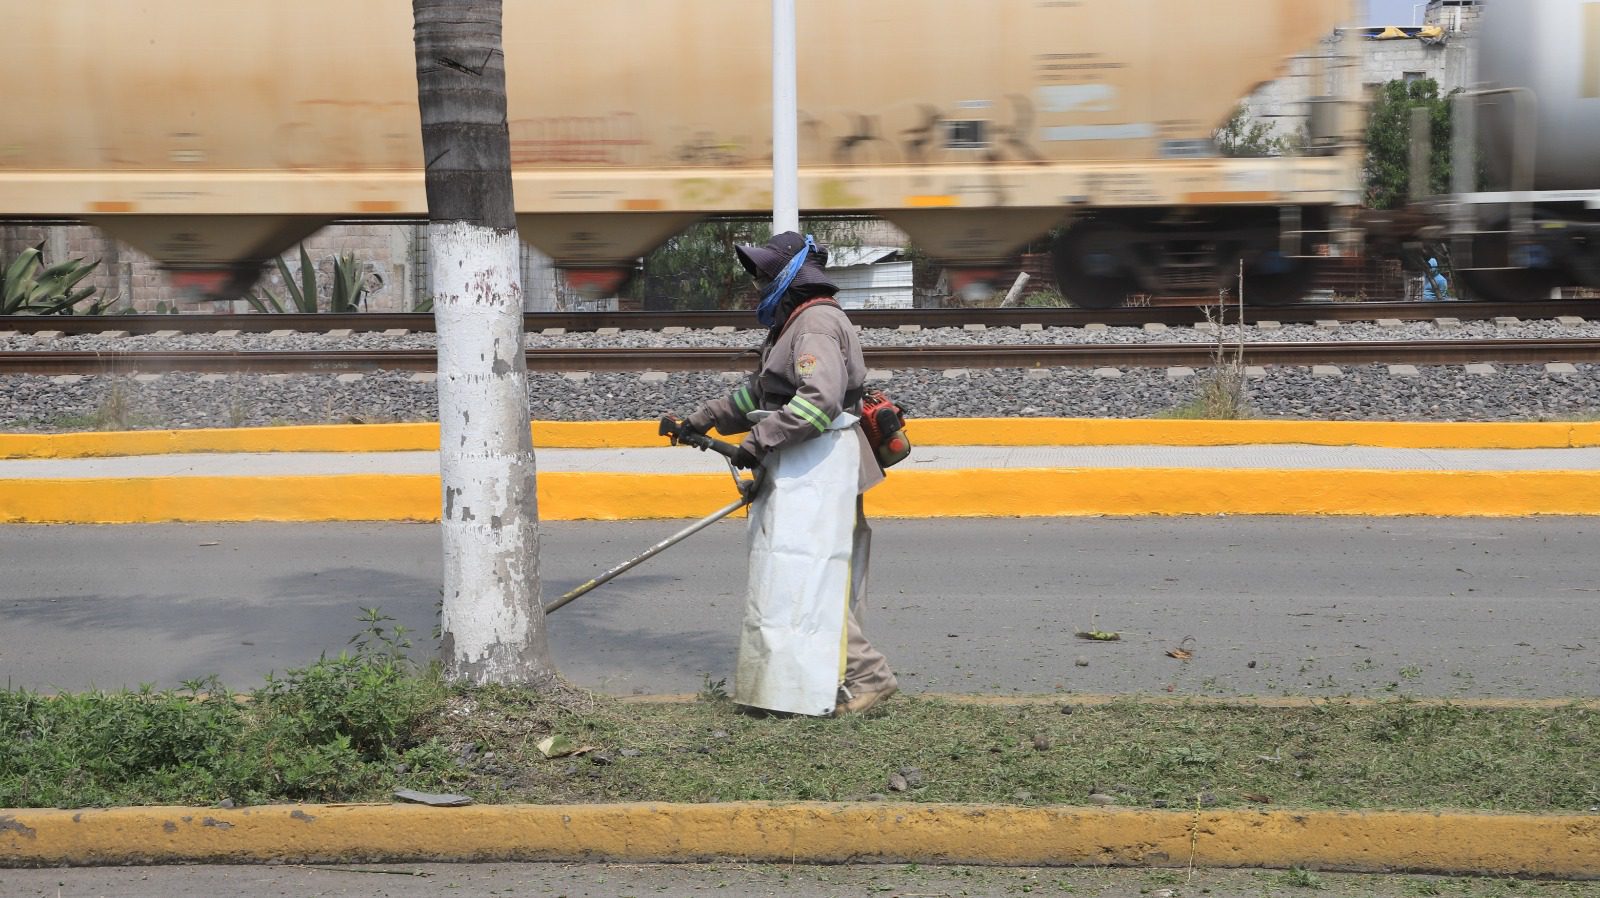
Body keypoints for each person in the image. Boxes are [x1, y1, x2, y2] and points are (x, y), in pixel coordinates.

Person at [673, 231, 898, 718]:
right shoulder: (792, 323)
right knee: (815, 576)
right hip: (804, 465)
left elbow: (818, 401)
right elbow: (762, 393)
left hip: (820, 469)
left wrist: (756, 443)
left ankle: (869, 676)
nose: (757, 281)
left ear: (790, 275)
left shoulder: (814, 324)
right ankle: (836, 676)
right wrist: (702, 418)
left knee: (814, 578)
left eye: (764, 272)